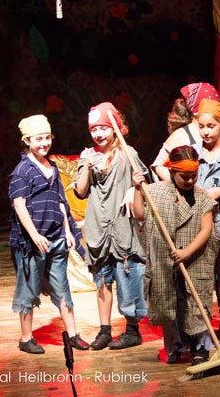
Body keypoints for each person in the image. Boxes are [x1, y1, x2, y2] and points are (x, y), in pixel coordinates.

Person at [9, 114, 89, 354]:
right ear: (27, 140)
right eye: (38, 139)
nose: (44, 143)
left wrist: (67, 230)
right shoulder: (22, 170)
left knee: (62, 287)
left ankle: (72, 334)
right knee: (28, 289)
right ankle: (26, 338)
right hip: (32, 243)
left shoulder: (52, 167)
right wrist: (35, 236)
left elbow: (60, 200)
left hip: (56, 238)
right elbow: (19, 205)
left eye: (47, 138)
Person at [132, 145, 219, 366]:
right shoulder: (156, 192)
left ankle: (201, 347)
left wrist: (186, 252)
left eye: (194, 176)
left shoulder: (202, 197)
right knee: (169, 302)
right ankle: (175, 346)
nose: (190, 181)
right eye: (184, 176)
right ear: (172, 172)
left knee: (196, 303)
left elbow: (206, 230)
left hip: (194, 260)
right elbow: (140, 215)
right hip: (165, 260)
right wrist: (137, 190)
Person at [74, 102, 148, 349]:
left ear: (115, 128)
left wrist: (133, 189)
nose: (98, 134)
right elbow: (81, 191)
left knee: (128, 278)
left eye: (103, 128)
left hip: (122, 225)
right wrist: (87, 167)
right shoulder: (88, 155)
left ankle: (132, 330)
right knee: (102, 280)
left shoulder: (128, 153)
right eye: (94, 129)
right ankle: (104, 330)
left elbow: (143, 183)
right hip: (99, 226)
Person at [194, 98, 220, 343]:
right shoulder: (194, 153)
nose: (205, 132)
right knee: (202, 275)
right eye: (201, 126)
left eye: (210, 126)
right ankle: (201, 330)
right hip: (198, 225)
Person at [152, 82, 220, 181]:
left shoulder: (219, 131)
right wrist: (180, 185)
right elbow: (159, 166)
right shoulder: (181, 136)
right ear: (197, 110)